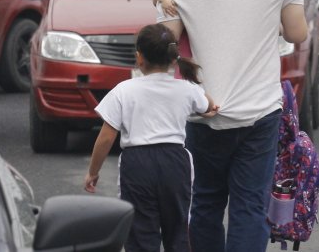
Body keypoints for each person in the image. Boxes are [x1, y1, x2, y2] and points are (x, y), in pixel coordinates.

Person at [159, 0, 309, 252]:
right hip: (260, 112)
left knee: (206, 204)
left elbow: (165, 45)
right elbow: (297, 33)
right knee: (250, 207)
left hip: (203, 111)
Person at [85, 23, 219, 252]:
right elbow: (209, 105)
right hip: (175, 163)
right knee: (177, 230)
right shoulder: (186, 89)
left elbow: (106, 138)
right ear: (172, 57)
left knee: (139, 232)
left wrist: (93, 172)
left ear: (139, 58)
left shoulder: (123, 90)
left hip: (137, 164)